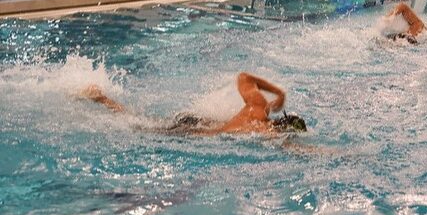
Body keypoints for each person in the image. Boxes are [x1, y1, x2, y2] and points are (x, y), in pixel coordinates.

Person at [79, 72, 306, 135]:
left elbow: (244, 77)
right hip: (193, 133)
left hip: (195, 120)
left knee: (147, 121)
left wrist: (279, 93)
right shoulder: (265, 132)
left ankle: (101, 98)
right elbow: (296, 150)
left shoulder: (258, 109)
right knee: (141, 127)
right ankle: (102, 99)